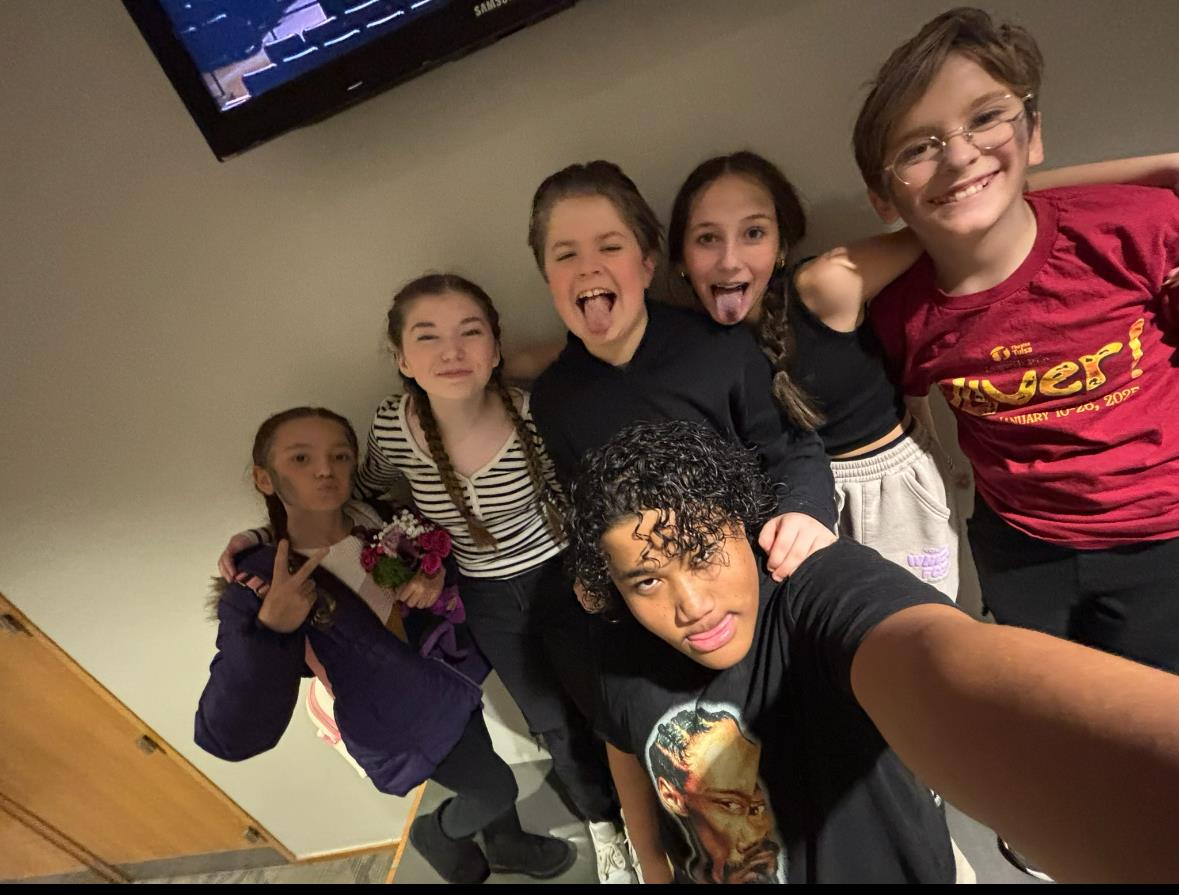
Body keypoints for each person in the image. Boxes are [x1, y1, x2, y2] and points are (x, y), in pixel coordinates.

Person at [566, 418, 1179, 884]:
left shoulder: (812, 588)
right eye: (648, 580)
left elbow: (933, 655)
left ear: (743, 524)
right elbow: (623, 736)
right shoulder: (620, 644)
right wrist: (651, 862)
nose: (691, 605)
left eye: (704, 552)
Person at [215, 275, 635, 883]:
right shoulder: (393, 429)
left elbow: (581, 484)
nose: (451, 351)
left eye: (470, 333)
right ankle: (605, 824)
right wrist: (262, 538)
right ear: (403, 359)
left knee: (605, 697)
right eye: (428, 336)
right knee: (549, 718)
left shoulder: (530, 413)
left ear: (494, 346)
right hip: (486, 599)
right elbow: (352, 502)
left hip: (561, 575)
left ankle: (640, 808)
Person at [848, 7, 1179, 675]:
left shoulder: (1135, 228)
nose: (959, 153)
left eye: (983, 118)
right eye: (917, 146)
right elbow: (909, 413)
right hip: (1020, 548)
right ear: (884, 197)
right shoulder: (900, 313)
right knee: (1054, 721)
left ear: (1032, 135)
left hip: (1160, 540)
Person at [196, 407, 575, 884]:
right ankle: (435, 834)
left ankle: (506, 844)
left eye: (340, 456)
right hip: (396, 714)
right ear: (264, 478)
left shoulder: (371, 518)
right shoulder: (262, 581)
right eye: (300, 458)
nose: (324, 469)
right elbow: (228, 730)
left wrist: (434, 577)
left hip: (445, 674)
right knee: (495, 789)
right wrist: (272, 627)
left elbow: (443, 549)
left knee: (485, 764)